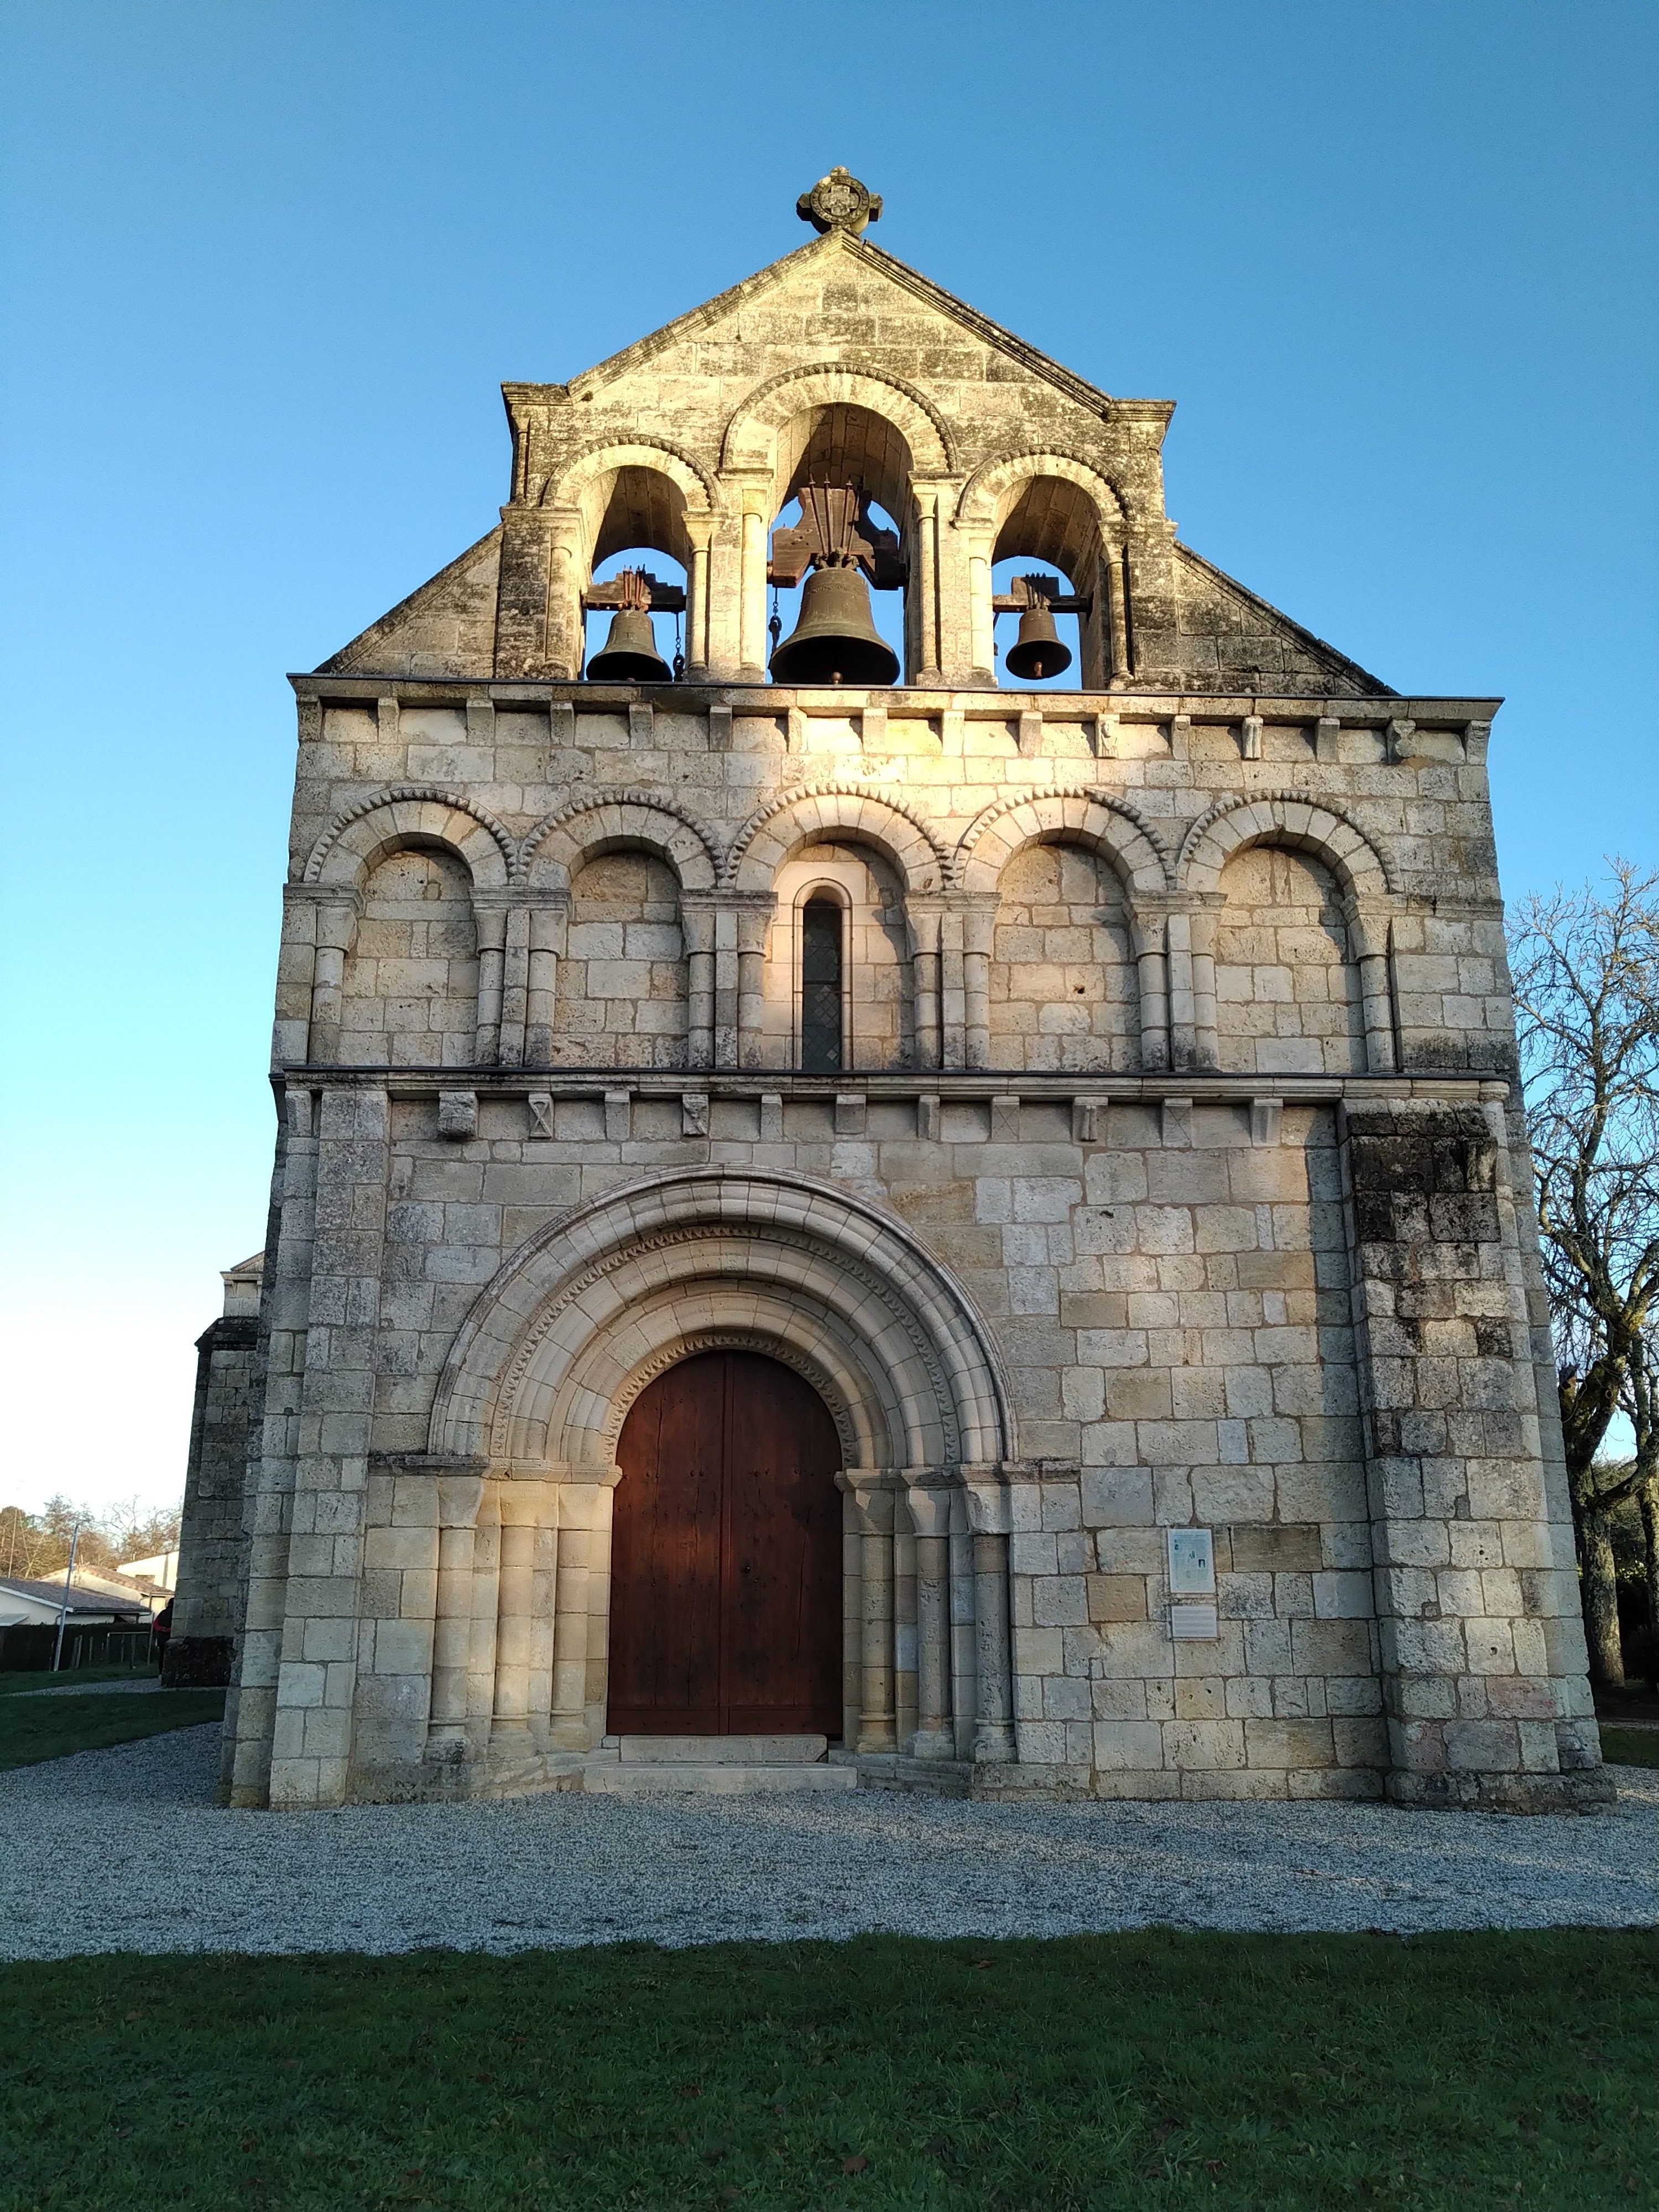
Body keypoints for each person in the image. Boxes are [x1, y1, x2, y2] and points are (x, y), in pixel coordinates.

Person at [152, 1598, 174, 1673]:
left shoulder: (162, 1613)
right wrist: (168, 1630)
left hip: (161, 1639)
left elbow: (155, 1624)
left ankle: (161, 1673)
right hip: (170, 1638)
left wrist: (162, 1629)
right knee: (171, 1657)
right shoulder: (175, 1613)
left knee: (162, 1656)